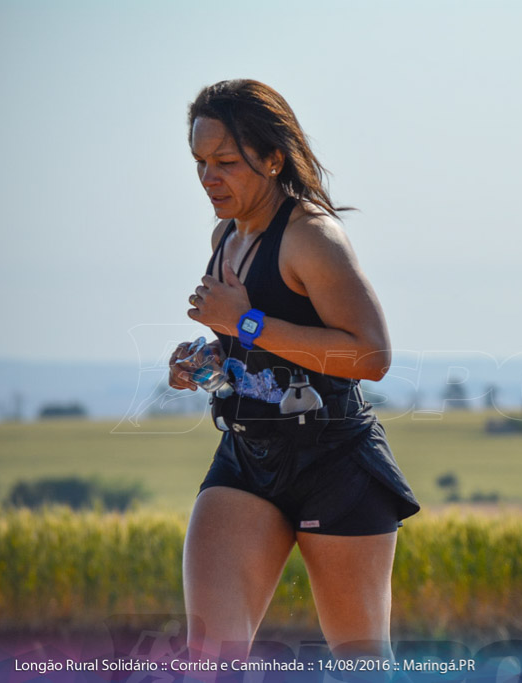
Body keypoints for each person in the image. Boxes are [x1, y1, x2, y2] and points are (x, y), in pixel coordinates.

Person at [168, 79, 420, 661]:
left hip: (335, 461)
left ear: (273, 158)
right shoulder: (224, 236)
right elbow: (252, 348)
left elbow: (370, 356)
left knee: (362, 666)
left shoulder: (312, 236)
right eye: (200, 162)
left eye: (226, 162)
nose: (209, 178)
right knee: (209, 660)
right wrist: (206, 360)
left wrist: (247, 322)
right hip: (245, 454)